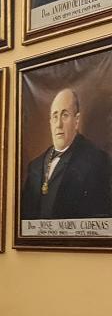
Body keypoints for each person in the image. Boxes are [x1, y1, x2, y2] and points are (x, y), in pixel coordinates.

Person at [20, 88, 112, 221]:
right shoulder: (35, 166)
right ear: (50, 122)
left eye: (65, 115)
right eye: (55, 116)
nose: (59, 124)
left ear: (77, 120)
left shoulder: (97, 161)